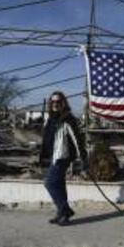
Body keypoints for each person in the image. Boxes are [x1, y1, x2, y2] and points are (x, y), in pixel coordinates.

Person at [40, 91, 87, 226]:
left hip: (62, 157)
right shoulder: (50, 118)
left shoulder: (68, 119)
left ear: (63, 103)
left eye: (58, 102)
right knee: (59, 185)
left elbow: (77, 140)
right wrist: (43, 157)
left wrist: (83, 159)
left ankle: (65, 210)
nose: (55, 104)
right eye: (53, 102)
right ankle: (62, 215)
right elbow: (46, 140)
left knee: (49, 183)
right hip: (53, 157)